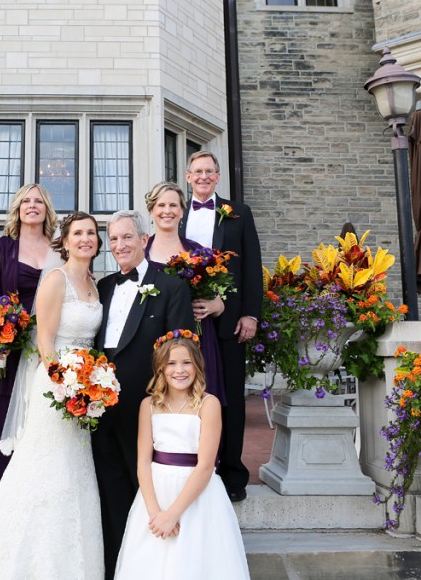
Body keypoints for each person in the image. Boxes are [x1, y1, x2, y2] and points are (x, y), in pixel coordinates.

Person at [0, 212, 105, 579]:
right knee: (48, 467)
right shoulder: (55, 280)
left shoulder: (93, 283)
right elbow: (45, 342)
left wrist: (92, 385)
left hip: (86, 387)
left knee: (75, 470)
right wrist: (67, 387)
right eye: (78, 233)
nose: (85, 239)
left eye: (91, 233)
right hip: (56, 387)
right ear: (66, 241)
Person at [95, 209, 194, 580]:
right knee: (110, 492)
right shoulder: (103, 287)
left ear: (144, 240)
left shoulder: (171, 286)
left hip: (147, 409)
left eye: (127, 237)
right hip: (100, 410)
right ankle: (115, 568)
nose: (120, 245)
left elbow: (180, 354)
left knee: (148, 490)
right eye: (114, 239)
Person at [114, 334, 250, 580]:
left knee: (194, 562)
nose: (180, 370)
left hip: (196, 495)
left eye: (187, 362)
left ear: (197, 365)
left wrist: (172, 515)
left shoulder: (209, 404)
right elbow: (143, 461)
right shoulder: (149, 405)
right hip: (156, 492)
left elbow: (206, 465)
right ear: (160, 368)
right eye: (171, 363)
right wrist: (156, 513)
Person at [179, 150, 263, 503]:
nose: (203, 177)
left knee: (228, 396)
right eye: (197, 171)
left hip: (227, 321)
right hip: (185, 319)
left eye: (209, 171)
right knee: (186, 393)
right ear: (187, 176)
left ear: (217, 176)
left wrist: (250, 314)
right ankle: (190, 469)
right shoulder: (175, 213)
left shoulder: (239, 213)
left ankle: (232, 473)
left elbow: (252, 266)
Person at [0, 183, 56, 527]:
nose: (32, 205)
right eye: (26, 201)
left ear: (47, 209)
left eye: (39, 201)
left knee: (41, 430)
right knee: (1, 432)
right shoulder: (0, 249)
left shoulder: (59, 250)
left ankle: (33, 518)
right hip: (6, 352)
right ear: (18, 209)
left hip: (46, 353)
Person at [145, 181, 226, 404]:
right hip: (155, 337)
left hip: (198, 337)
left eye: (173, 205)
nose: (167, 211)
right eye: (161, 205)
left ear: (182, 210)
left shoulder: (197, 251)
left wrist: (213, 305)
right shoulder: (141, 253)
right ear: (152, 210)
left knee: (199, 404)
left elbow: (221, 301)